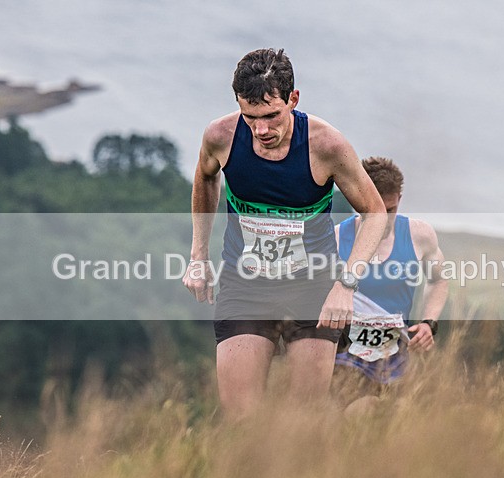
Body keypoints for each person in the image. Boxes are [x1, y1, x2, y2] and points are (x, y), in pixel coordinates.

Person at [182, 48, 386, 420]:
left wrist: (345, 286)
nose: (261, 130)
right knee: (242, 418)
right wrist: (198, 256)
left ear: (293, 99)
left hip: (312, 288)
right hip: (245, 284)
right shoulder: (221, 136)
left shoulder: (327, 146)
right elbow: (206, 176)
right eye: (251, 117)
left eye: (272, 116)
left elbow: (375, 213)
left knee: (302, 420)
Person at [333, 156, 448, 410]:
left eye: (390, 210)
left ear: (399, 200)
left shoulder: (419, 236)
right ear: (356, 199)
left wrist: (429, 324)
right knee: (358, 415)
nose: (382, 219)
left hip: (393, 362)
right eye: (372, 209)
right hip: (344, 361)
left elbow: (439, 280)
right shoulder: (338, 239)